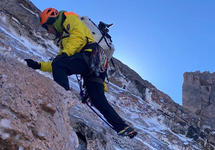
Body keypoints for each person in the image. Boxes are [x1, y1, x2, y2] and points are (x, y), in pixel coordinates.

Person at [24, 8, 137, 138]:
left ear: (53, 21)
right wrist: (38, 65)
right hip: (96, 64)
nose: (48, 31)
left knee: (59, 64)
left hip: (90, 57)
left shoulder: (69, 19)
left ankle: (62, 99)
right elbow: (59, 64)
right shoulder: (63, 39)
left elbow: (78, 38)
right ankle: (123, 127)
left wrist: (63, 54)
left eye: (47, 27)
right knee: (97, 99)